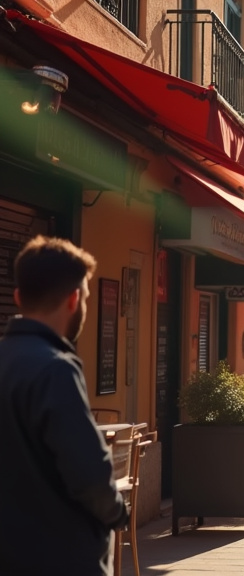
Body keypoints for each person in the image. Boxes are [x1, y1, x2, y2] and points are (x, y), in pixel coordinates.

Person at [0, 236, 128, 575]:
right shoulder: (55, 368)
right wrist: (116, 511)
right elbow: (87, 470)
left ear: (17, 297)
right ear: (74, 300)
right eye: (86, 295)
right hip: (57, 555)